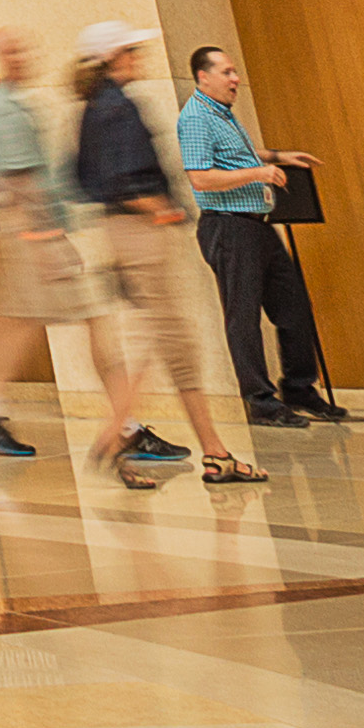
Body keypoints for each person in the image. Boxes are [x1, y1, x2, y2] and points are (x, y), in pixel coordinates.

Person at [71, 25, 261, 488]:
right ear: (115, 57)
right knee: (174, 345)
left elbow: (80, 176)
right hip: (142, 237)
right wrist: (161, 210)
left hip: (118, 235)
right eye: (131, 51)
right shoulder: (118, 106)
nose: (138, 57)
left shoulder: (93, 107)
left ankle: (205, 450)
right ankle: (123, 436)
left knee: (161, 343)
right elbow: (121, 180)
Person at [180, 46, 338, 425]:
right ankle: (261, 403)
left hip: (257, 225)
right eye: (227, 72)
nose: (236, 79)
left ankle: (299, 389)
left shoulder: (223, 114)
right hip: (228, 226)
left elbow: (241, 155)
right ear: (203, 77)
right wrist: (259, 175)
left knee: (294, 308)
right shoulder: (197, 118)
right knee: (244, 317)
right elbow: (200, 177)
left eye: (235, 71)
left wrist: (279, 157)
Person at [0, 27, 87, 461]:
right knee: (21, 322)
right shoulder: (2, 107)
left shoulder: (0, 102)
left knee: (13, 322)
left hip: (18, 229)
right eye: (11, 50)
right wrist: (46, 236)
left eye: (22, 47)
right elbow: (19, 181)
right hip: (24, 230)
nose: (22, 56)